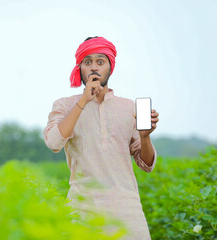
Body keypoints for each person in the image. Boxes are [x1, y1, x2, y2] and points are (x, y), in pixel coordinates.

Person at [43, 36, 160, 240]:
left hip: (128, 211)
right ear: (80, 69)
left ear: (110, 67)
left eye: (100, 61)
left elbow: (146, 164)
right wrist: (83, 101)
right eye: (87, 62)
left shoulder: (128, 108)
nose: (94, 67)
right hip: (82, 212)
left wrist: (145, 137)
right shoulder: (64, 105)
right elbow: (53, 142)